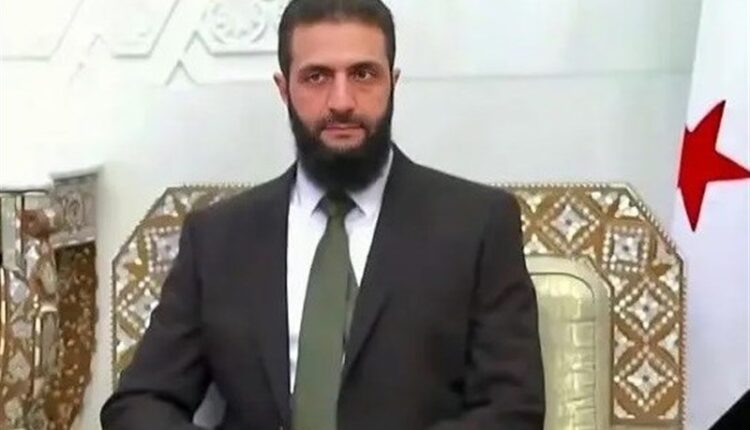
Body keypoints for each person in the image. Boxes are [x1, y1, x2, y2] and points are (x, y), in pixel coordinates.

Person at [100, 0, 545, 429]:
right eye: (316, 77)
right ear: (284, 89)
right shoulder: (218, 239)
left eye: (363, 74)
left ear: (393, 82)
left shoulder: (477, 226)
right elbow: (139, 404)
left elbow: (513, 410)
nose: (342, 101)